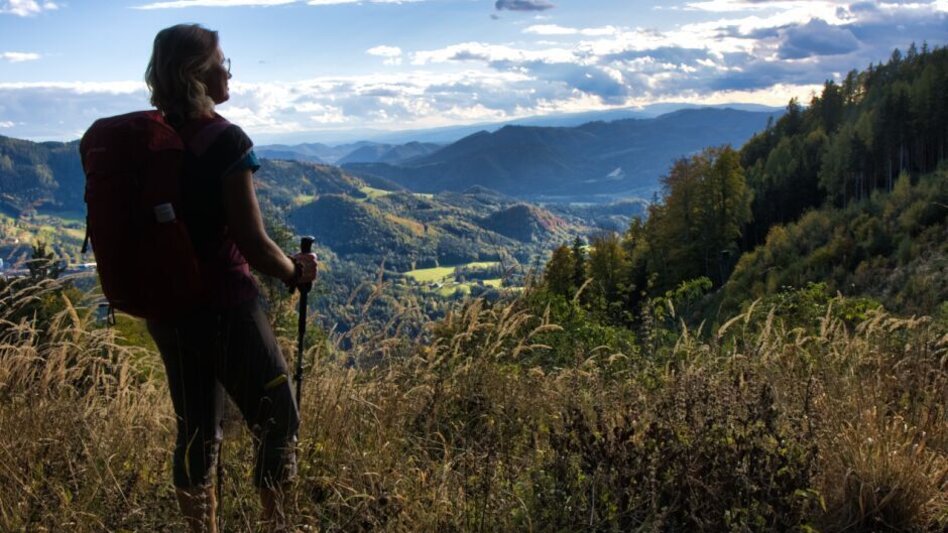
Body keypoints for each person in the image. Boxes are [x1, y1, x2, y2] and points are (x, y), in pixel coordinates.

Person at [143, 24, 317, 532]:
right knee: (278, 420)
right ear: (196, 72)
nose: (229, 70)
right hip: (224, 306)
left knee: (196, 431)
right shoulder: (225, 140)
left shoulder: (156, 137)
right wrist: (295, 272)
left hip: (168, 309)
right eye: (222, 61)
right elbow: (253, 242)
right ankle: (277, 526)